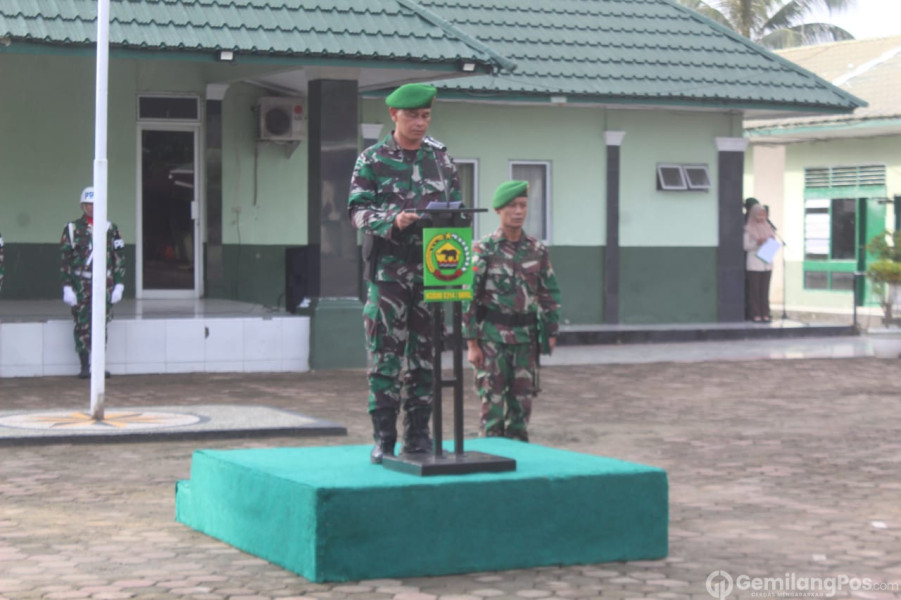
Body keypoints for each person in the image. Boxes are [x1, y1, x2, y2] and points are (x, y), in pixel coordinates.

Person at [348, 82, 462, 463]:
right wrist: (392, 220)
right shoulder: (373, 159)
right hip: (389, 275)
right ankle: (383, 439)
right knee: (386, 357)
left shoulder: (441, 159)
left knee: (425, 358)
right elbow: (357, 211)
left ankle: (418, 438)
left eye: (425, 116)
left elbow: (455, 209)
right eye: (412, 115)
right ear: (394, 115)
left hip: (434, 273)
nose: (420, 123)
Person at [462, 180, 561, 442]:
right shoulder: (484, 250)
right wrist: (472, 343)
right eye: (512, 206)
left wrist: (550, 331)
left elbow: (548, 293)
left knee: (522, 404)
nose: (518, 211)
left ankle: (520, 457)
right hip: (492, 339)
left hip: (526, 339)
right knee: (492, 404)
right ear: (498, 210)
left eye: (523, 206)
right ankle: (491, 457)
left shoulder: (537, 250)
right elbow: (469, 299)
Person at [60, 187, 126, 378]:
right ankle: (84, 366)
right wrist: (67, 287)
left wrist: (119, 284)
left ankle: (98, 365)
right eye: (88, 204)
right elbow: (65, 260)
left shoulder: (110, 229)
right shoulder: (72, 229)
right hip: (81, 283)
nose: (91, 208)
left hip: (103, 284)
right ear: (83, 206)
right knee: (82, 324)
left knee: (101, 323)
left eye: (95, 204)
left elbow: (119, 258)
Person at [744, 203, 775, 323]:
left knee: (764, 290)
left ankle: (765, 313)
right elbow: (745, 246)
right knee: (755, 291)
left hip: (767, 263)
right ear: (753, 214)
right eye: (759, 214)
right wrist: (757, 242)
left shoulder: (768, 227)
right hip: (754, 264)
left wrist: (770, 242)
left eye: (763, 214)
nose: (761, 216)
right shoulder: (748, 229)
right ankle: (756, 314)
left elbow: (773, 243)